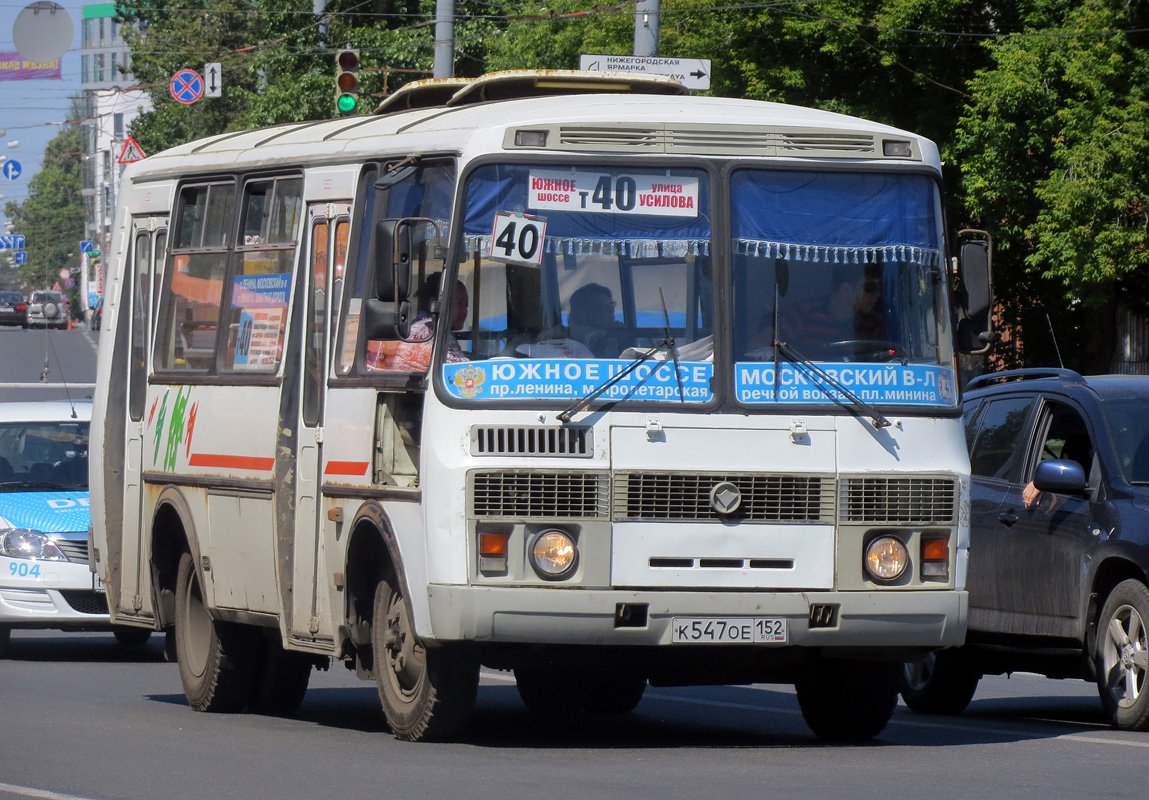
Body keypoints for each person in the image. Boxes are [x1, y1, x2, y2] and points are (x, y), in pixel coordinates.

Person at [368, 272, 469, 371]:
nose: (464, 311)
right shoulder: (428, 330)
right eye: (459, 303)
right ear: (434, 304)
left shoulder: (430, 328)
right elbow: (458, 370)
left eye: (466, 305)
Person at [565, 282, 626, 358]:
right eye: (603, 309)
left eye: (611, 306)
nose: (611, 311)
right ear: (583, 314)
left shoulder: (614, 336)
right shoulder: (576, 340)